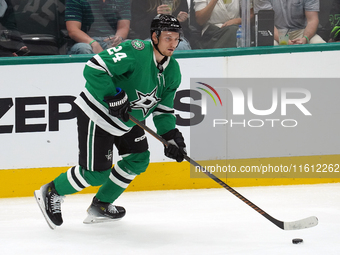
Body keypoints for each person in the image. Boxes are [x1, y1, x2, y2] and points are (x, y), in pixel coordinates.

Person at [34, 14, 187, 229]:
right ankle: (52, 190)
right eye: (168, 38)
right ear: (155, 36)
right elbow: (94, 67)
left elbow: (162, 109)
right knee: (96, 174)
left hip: (127, 120)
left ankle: (101, 204)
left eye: (176, 38)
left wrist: (170, 136)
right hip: (98, 114)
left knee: (138, 159)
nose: (173, 44)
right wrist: (112, 95)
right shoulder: (136, 50)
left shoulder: (173, 70)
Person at [65, 0, 131, 54]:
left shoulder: (122, 1)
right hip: (84, 42)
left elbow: (123, 27)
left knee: (132, 46)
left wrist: (118, 38)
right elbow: (73, 30)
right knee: (84, 48)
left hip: (110, 40)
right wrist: (93, 43)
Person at [254, 0, 325, 45]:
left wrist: (305, 38)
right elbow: (267, 23)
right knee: (270, 47)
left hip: (302, 32)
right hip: (275, 33)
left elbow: (312, 20)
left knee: (320, 44)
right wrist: (283, 40)